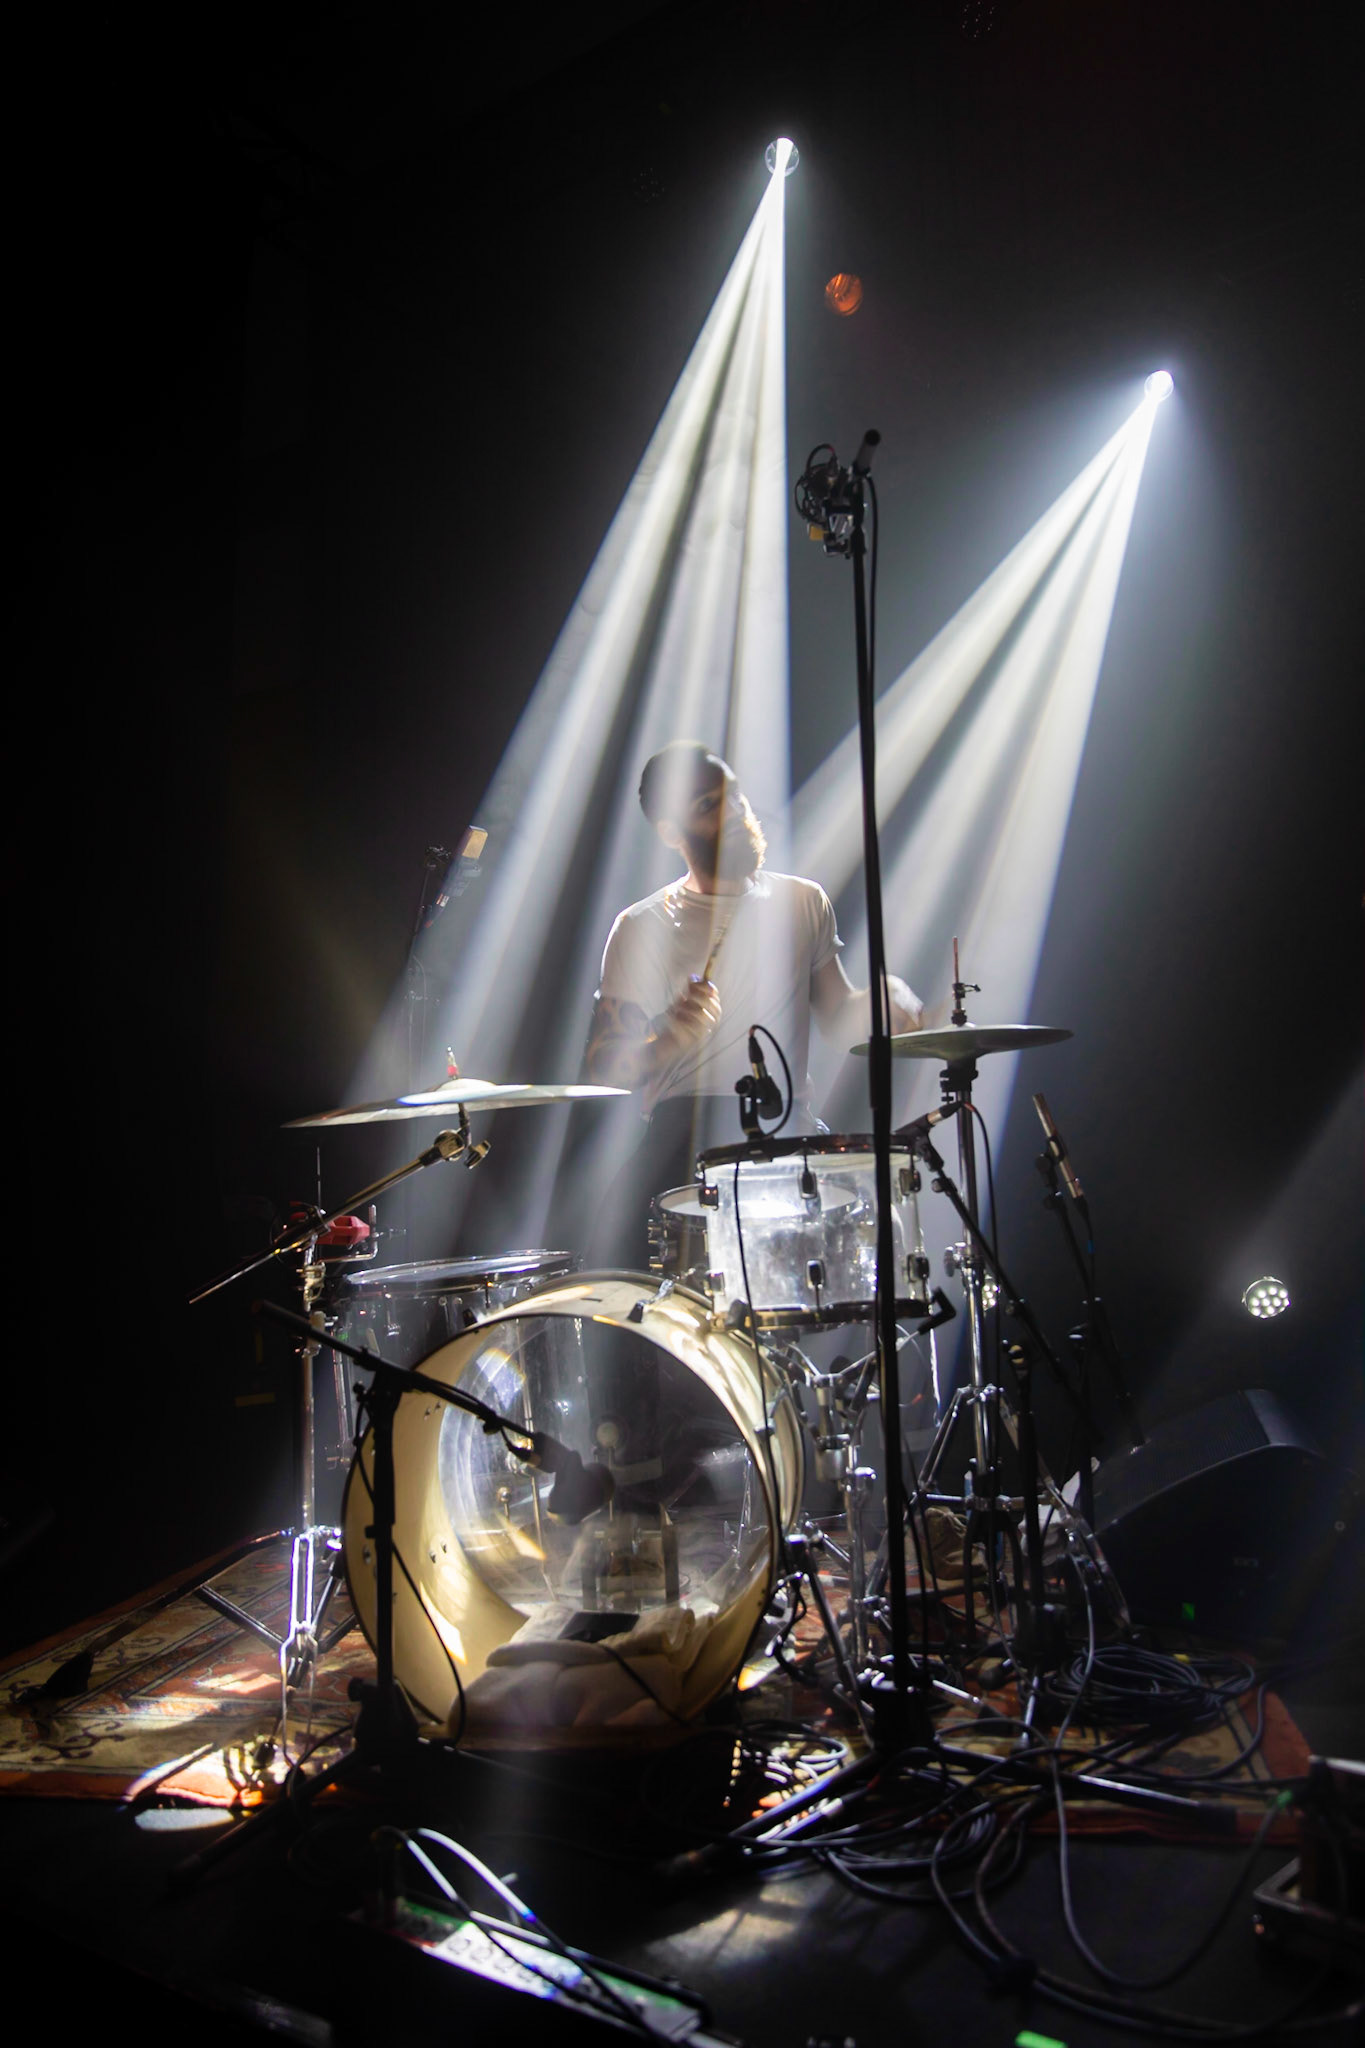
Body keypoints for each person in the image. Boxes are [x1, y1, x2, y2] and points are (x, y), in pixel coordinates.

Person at [582, 741, 923, 1265]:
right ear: (671, 832)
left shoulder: (803, 901)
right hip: (685, 1146)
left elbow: (835, 1017)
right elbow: (603, 1069)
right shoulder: (641, 926)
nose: (736, 814)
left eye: (734, 796)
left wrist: (882, 999)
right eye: (706, 806)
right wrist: (665, 1040)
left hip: (789, 1133)